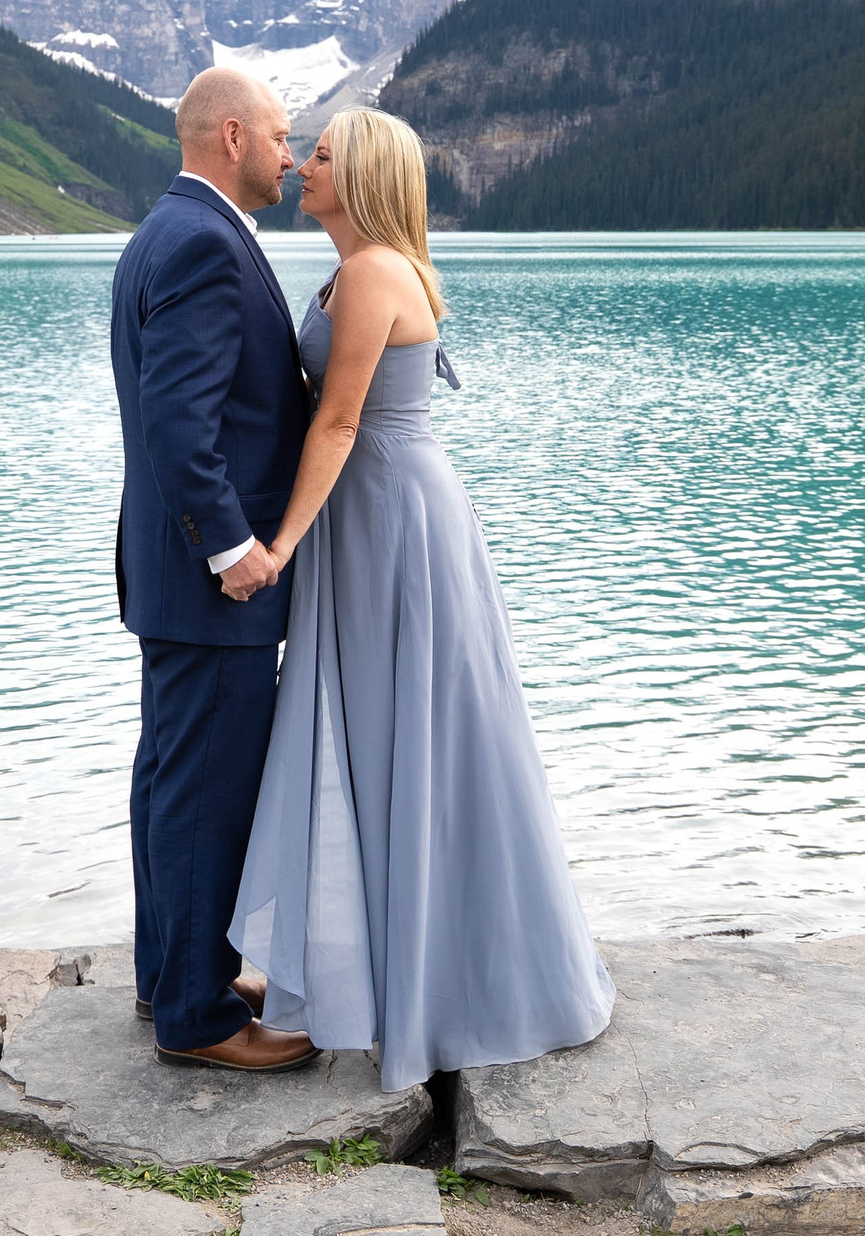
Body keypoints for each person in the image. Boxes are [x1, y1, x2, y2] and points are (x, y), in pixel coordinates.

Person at [228, 107, 616, 1092]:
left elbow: (343, 420)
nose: (300, 166)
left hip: (390, 523)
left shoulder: (369, 274)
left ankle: (442, 988)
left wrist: (278, 545)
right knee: (396, 735)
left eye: (319, 156)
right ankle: (405, 971)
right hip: (377, 517)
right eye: (304, 151)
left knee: (414, 735)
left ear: (358, 177)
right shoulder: (361, 267)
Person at [109, 67, 320, 1072]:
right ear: (231, 135)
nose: (292, 155)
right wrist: (234, 552)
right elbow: (179, 424)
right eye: (282, 137)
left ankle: (172, 973)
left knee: (168, 779)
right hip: (208, 583)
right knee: (202, 789)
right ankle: (197, 1015)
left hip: (170, 577)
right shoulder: (201, 241)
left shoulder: (168, 228)